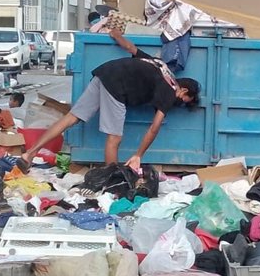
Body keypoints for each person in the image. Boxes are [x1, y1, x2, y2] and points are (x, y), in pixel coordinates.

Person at [18, 29, 201, 172]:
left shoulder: (160, 65)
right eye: (185, 99)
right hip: (116, 87)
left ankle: (29, 154)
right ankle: (110, 180)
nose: (182, 103)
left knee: (71, 118)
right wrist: (138, 155)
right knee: (115, 137)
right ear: (183, 89)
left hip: (104, 73)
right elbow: (154, 128)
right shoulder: (170, 91)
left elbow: (131, 48)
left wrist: (115, 35)